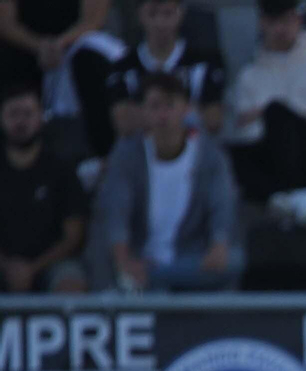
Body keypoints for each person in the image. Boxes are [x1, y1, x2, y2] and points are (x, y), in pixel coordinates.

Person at [96, 70, 240, 292]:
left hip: (191, 258)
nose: (163, 115)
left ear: (186, 109)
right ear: (143, 111)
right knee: (115, 268)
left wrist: (219, 244)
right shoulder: (126, 156)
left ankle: (158, 279)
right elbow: (116, 211)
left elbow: (221, 204)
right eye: (155, 106)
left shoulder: (210, 156)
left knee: (233, 260)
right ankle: (153, 282)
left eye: (170, 105)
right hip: (141, 255)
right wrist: (125, 259)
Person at [229, 0, 306, 214]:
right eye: (274, 21)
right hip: (269, 159)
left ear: (298, 20)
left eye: (287, 20)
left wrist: (280, 112)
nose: (281, 28)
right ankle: (288, 197)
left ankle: (286, 195)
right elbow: (243, 128)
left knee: (277, 114)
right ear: (262, 23)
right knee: (233, 152)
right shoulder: (249, 75)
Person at [0, 0, 122, 158]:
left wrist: (59, 45)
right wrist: (40, 47)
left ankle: (103, 154)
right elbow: (5, 22)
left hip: (76, 46)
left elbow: (93, 20)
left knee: (91, 62)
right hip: (25, 49)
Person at [0, 83, 88, 293]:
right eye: (13, 114)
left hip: (51, 264)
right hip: (4, 266)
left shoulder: (61, 169)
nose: (21, 121)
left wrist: (32, 269)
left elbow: (73, 237)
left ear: (40, 117)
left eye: (28, 113)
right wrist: (9, 268)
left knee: (71, 284)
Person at [106, 0, 226, 138]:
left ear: (180, 13)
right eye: (152, 14)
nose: (160, 23)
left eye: (167, 13)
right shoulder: (123, 67)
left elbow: (213, 119)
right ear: (140, 15)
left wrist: (146, 112)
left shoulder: (204, 63)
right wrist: (187, 112)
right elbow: (123, 123)